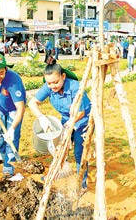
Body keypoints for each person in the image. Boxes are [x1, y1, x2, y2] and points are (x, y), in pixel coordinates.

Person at [28, 63, 91, 191]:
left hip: (83, 120)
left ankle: (82, 183)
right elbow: (32, 102)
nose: (52, 86)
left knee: (79, 151)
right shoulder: (49, 87)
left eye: (55, 82)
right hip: (67, 119)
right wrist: (41, 117)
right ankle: (58, 172)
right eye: (49, 83)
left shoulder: (75, 87)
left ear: (63, 76)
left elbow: (81, 112)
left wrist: (72, 123)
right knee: (61, 147)